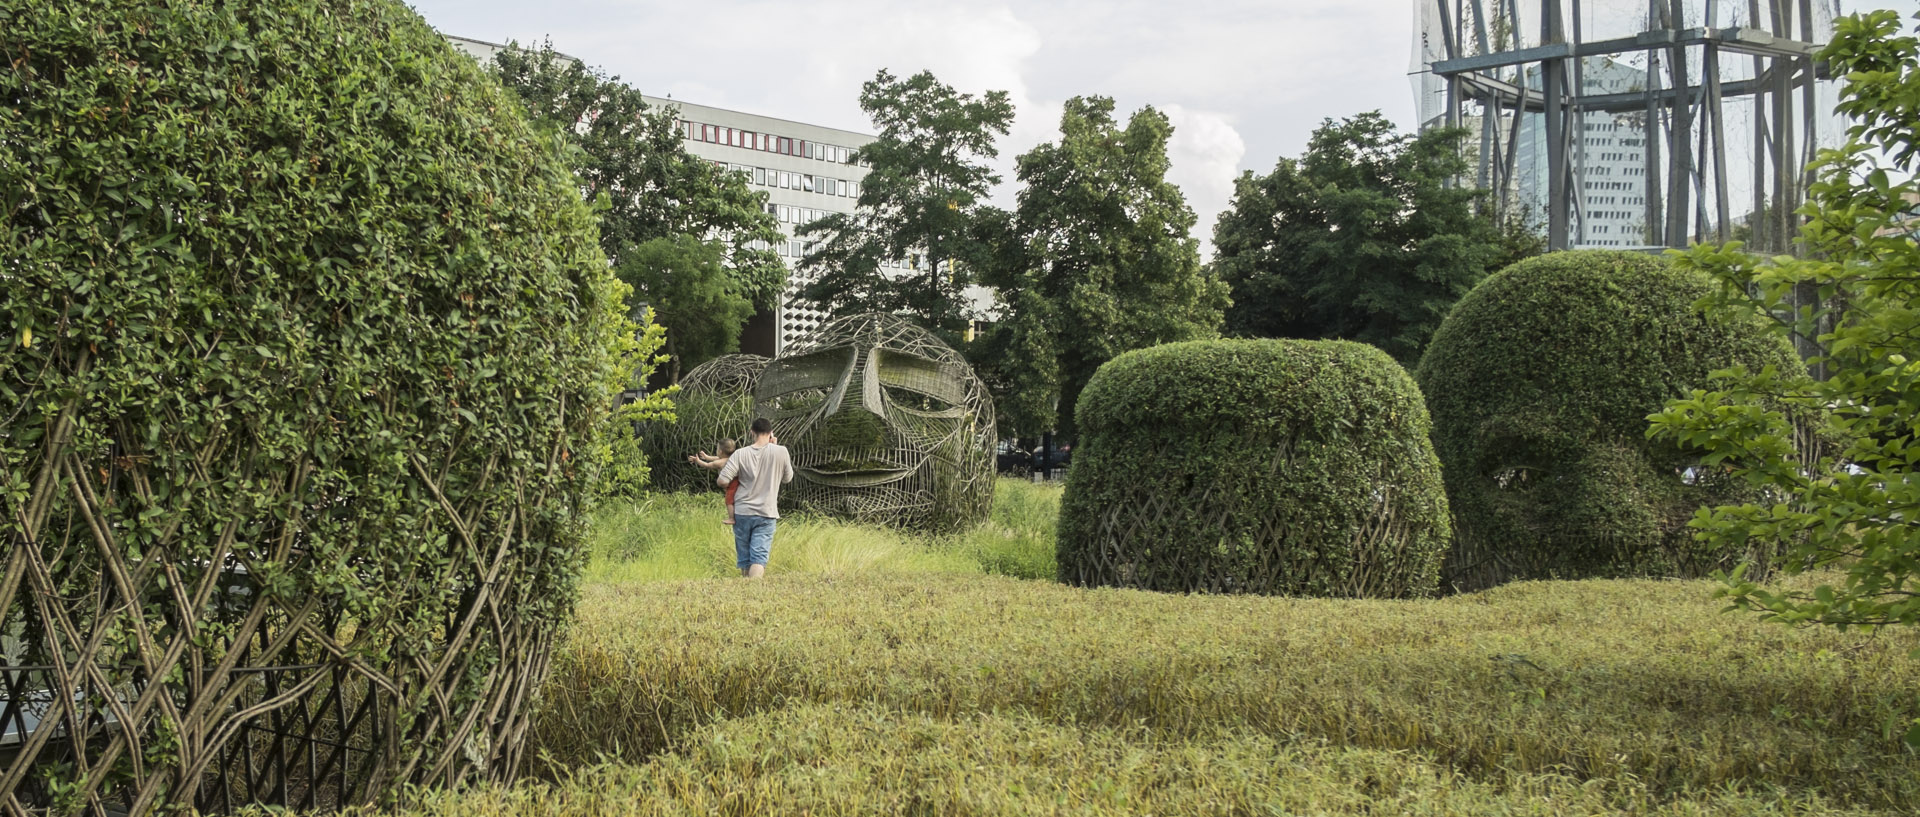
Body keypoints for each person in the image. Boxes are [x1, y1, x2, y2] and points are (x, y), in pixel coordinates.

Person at [716, 417, 793, 579]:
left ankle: (745, 592)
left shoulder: (740, 454)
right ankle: (754, 594)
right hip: (767, 512)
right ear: (771, 433)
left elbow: (722, 480)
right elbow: (787, 478)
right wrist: (775, 448)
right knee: (758, 558)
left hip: (742, 511)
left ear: (752, 432)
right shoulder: (781, 451)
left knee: (745, 558)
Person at [687, 439, 739, 524]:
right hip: (737, 481)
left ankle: (731, 518)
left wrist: (698, 461)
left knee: (729, 500)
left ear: (720, 451)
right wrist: (706, 457)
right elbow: (715, 458)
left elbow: (707, 465)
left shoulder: (719, 463)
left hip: (731, 484)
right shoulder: (732, 457)